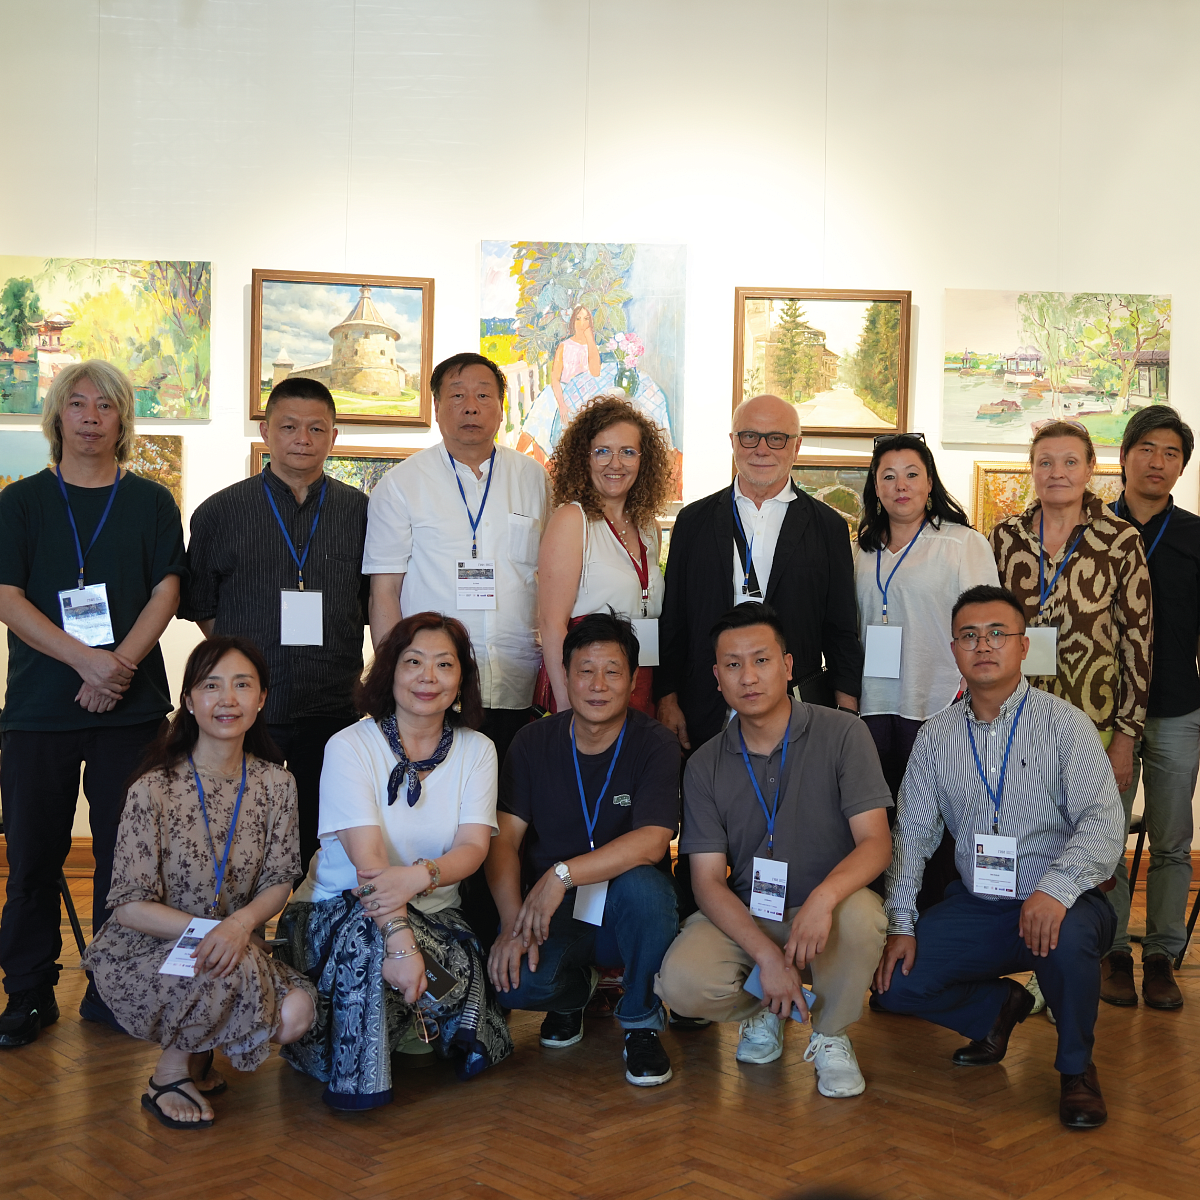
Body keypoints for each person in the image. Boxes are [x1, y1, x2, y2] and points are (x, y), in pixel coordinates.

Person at [874, 585, 1125, 1130]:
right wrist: (901, 924)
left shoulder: (1066, 725)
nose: (983, 645)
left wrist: (1055, 889)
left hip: (1065, 903)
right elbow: (911, 836)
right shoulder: (936, 737)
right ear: (954, 649)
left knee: (1067, 941)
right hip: (981, 905)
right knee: (896, 983)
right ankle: (995, 1011)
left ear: (1023, 646)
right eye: (969, 635)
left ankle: (1076, 1069)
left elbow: (1104, 826)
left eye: (997, 634)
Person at [0, 360, 185, 1047]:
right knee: (32, 860)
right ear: (57, 416)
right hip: (38, 711)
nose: (89, 417)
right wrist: (86, 661)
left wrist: (119, 667)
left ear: (122, 420)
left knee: (125, 859)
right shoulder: (20, 502)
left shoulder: (151, 502)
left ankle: (113, 988)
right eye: (76, 404)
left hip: (131, 713)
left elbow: (167, 590)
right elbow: (7, 597)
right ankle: (28, 991)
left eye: (104, 406)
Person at [654, 603, 892, 1099]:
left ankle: (830, 1033)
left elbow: (876, 845)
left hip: (830, 907)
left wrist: (823, 899)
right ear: (717, 678)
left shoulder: (844, 733)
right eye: (733, 665)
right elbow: (706, 882)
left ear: (787, 666)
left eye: (761, 660)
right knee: (682, 982)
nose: (748, 676)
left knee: (862, 918)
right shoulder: (703, 764)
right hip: (751, 913)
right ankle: (770, 1005)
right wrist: (767, 958)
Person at [79, 637, 317, 1128]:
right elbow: (129, 906)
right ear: (188, 700)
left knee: (296, 1015)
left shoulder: (278, 784)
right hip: (149, 948)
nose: (227, 699)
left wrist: (239, 926)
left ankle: (200, 1049)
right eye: (211, 686)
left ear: (261, 698)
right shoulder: (152, 788)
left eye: (242, 685)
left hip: (235, 943)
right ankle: (167, 1075)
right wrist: (218, 931)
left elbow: (280, 880)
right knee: (221, 960)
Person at [278, 612, 513, 1110]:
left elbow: (473, 848)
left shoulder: (478, 750)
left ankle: (394, 1027)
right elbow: (368, 866)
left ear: (461, 680)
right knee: (369, 937)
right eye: (413, 662)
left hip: (438, 921)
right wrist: (401, 942)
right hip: (333, 913)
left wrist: (419, 876)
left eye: (444, 665)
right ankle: (358, 1073)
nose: (428, 677)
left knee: (402, 953)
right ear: (389, 672)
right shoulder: (349, 746)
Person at [182, 376, 369, 877]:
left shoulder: (362, 513)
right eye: (288, 427)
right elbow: (201, 604)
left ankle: (307, 923)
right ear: (266, 431)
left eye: (316, 429)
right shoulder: (221, 512)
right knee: (238, 835)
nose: (302, 439)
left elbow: (372, 603)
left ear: (334, 436)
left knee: (321, 839)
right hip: (247, 709)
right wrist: (245, 664)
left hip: (332, 708)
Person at [486, 611, 680, 1087]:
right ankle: (573, 995)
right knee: (513, 984)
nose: (598, 685)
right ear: (564, 675)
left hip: (626, 909)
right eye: (585, 670)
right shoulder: (532, 742)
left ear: (633, 680)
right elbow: (504, 840)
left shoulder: (655, 742)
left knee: (647, 889)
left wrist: (563, 874)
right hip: (554, 912)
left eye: (612, 671)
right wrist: (512, 924)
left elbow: (654, 840)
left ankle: (640, 1021)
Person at [364, 353, 549, 766]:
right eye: (457, 395)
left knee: (512, 794)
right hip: (431, 686)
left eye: (483, 395)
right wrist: (396, 676)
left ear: (501, 407)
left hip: (515, 676)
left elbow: (548, 578)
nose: (471, 406)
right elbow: (384, 592)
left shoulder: (533, 478)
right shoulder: (401, 484)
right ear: (436, 407)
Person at [658, 393, 862, 756]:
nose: (762, 449)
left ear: (796, 447)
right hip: (705, 708)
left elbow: (841, 628)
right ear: (733, 442)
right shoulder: (692, 522)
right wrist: (667, 698)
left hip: (797, 708)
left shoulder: (828, 527)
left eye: (776, 438)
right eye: (750, 436)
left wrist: (846, 711)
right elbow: (673, 621)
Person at [855, 433, 998, 907]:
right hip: (873, 706)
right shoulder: (861, 551)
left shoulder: (962, 544)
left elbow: (985, 625)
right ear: (876, 487)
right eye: (888, 476)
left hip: (938, 701)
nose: (901, 486)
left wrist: (978, 694)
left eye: (912, 474)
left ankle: (932, 920)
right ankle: (880, 920)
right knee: (877, 820)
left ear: (930, 482)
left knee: (935, 824)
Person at [989, 420, 1151, 791]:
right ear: (1032, 469)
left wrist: (1126, 739)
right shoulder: (1004, 538)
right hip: (1012, 720)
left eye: (1070, 462)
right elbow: (986, 628)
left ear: (1091, 467)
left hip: (1093, 720)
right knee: (1020, 822)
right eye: (1045, 462)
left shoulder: (1121, 539)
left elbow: (1138, 645)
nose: (1057, 472)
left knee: (1091, 828)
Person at [1101, 405, 1199, 1009]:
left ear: (1181, 466)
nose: (1158, 462)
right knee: (1104, 837)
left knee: (1172, 840)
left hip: (1176, 709)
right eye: (1147, 449)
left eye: (1171, 453)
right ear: (1124, 456)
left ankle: (1161, 954)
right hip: (1107, 715)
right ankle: (1112, 950)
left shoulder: (1194, 535)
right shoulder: (1093, 528)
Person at [536, 395, 673, 717]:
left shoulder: (648, 527)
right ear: (582, 458)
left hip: (640, 678)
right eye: (602, 451)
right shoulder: (572, 520)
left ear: (644, 460)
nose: (616, 463)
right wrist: (567, 708)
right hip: (587, 684)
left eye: (628, 452)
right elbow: (552, 625)